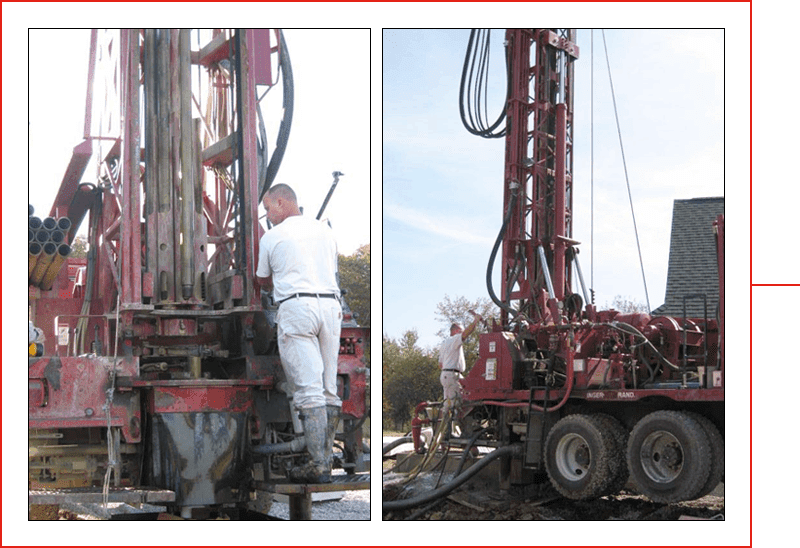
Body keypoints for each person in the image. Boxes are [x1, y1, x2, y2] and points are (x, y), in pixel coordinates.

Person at [256, 184, 342, 483]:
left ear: (281, 202)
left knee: (308, 389)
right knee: (329, 388)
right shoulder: (325, 231)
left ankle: (318, 466)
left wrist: (272, 287)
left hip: (297, 309)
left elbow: (263, 281)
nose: (267, 215)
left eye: (268, 208)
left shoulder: (272, 237)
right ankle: (326, 459)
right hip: (331, 308)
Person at [438, 310, 483, 419]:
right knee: (455, 405)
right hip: (452, 375)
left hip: (448, 374)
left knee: (449, 404)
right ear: (457, 331)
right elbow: (465, 334)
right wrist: (475, 321)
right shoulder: (454, 339)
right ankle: (450, 430)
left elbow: (440, 364)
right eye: (461, 330)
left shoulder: (444, 343)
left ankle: (445, 428)